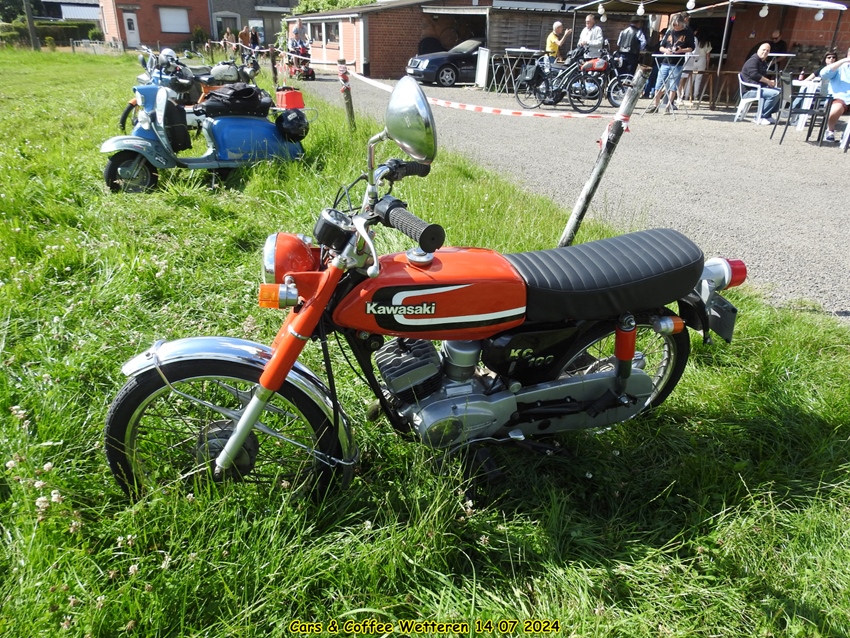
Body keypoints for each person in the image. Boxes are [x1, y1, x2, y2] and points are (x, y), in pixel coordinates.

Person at [645, 13, 694, 113]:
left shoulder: (687, 32)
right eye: (673, 24)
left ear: (681, 23)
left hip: (677, 62)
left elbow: (691, 48)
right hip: (665, 61)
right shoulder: (670, 31)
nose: (675, 27)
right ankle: (655, 105)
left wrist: (681, 50)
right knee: (659, 83)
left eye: (677, 25)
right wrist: (666, 51)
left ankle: (668, 105)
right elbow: (661, 47)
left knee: (673, 85)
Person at [739, 42, 781, 125]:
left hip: (758, 88)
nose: (765, 52)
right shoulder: (753, 61)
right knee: (774, 94)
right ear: (758, 50)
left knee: (781, 92)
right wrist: (768, 82)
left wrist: (770, 83)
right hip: (749, 91)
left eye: (767, 51)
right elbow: (754, 75)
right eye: (763, 50)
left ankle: (767, 115)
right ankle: (760, 117)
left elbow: (761, 78)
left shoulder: (762, 62)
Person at [819, 46, 850, 142]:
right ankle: (830, 129)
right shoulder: (839, 67)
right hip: (840, 98)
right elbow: (823, 74)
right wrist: (843, 60)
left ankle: (847, 135)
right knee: (836, 108)